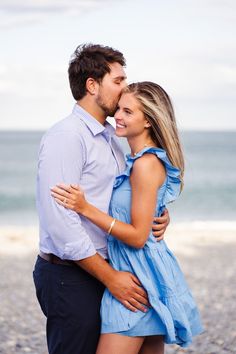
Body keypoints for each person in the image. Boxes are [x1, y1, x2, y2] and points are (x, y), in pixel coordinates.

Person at [33, 44, 170, 354]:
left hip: (106, 270)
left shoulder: (110, 136)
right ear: (92, 85)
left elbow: (120, 197)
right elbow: (61, 223)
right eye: (118, 80)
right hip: (72, 276)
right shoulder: (67, 136)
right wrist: (111, 278)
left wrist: (154, 216)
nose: (124, 89)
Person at [51, 81, 204, 354]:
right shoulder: (133, 159)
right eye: (119, 109)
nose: (117, 116)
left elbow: (137, 236)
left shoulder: (145, 164)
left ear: (148, 120)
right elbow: (143, 214)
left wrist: (86, 209)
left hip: (136, 276)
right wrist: (160, 216)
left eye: (128, 112)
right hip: (142, 270)